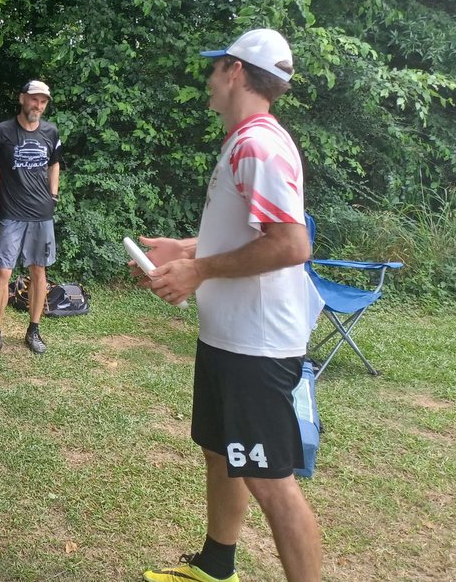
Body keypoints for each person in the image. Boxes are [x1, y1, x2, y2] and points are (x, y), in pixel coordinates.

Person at [137, 29, 321, 582]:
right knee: (223, 452)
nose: (210, 81)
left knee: (271, 480)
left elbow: (292, 243)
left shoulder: (258, 145)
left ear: (236, 72)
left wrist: (200, 269)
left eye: (216, 70)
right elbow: (252, 230)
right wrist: (188, 250)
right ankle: (217, 566)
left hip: (257, 345)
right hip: (229, 335)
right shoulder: (245, 140)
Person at [0, 80, 63, 358]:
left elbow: (55, 163)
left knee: (39, 272)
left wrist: (54, 195)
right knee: (4, 272)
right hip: (12, 213)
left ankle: (33, 330)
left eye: (43, 102)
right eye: (34, 99)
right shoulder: (2, 131)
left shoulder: (51, 131)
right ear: (22, 98)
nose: (38, 106)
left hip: (41, 214)